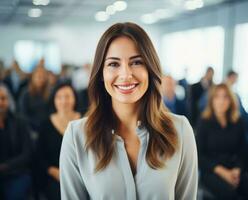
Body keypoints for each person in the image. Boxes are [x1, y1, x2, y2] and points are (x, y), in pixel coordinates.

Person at [60, 22, 198, 200]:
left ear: (150, 68)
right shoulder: (76, 136)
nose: (125, 74)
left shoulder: (180, 130)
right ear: (101, 74)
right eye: (113, 64)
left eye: (137, 62)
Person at [196, 83, 248, 200]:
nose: (221, 101)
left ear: (231, 100)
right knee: (230, 196)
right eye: (217, 96)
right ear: (212, 100)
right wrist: (223, 172)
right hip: (212, 171)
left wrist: (237, 170)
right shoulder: (204, 122)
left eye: (225, 97)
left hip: (234, 168)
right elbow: (199, 156)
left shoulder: (238, 121)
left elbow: (243, 151)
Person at [38, 82, 81, 200]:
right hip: (55, 176)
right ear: (54, 100)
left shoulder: (84, 121)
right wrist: (56, 172)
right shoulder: (45, 124)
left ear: (75, 98)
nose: (63, 101)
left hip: (82, 174)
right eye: (59, 97)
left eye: (67, 96)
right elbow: (40, 156)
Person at [0, 83, 32, 200]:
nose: (0, 102)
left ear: (9, 101)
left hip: (17, 173)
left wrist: (5, 166)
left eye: (3, 98)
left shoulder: (20, 123)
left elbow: (27, 153)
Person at [19, 64, 50, 132]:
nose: (40, 79)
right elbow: (23, 114)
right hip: (30, 128)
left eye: (42, 77)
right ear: (33, 78)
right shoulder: (26, 94)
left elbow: (51, 111)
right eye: (38, 77)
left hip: (46, 128)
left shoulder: (49, 93)